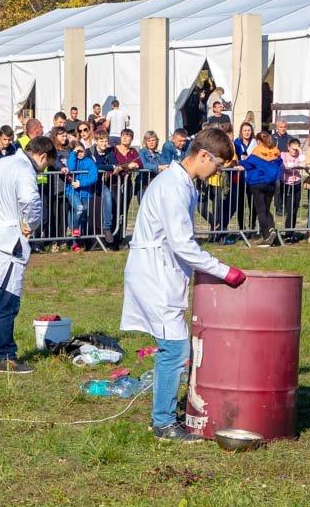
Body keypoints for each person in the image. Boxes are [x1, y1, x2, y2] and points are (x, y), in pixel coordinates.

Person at [120, 128, 246, 444]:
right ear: (203, 155)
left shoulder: (181, 183)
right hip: (155, 274)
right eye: (218, 165)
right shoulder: (174, 187)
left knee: (174, 346)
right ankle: (163, 423)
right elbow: (183, 244)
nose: (217, 172)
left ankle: (165, 415)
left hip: (161, 271)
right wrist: (223, 271)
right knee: (175, 348)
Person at [0, 136, 55, 374]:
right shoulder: (24, 169)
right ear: (42, 156)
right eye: (46, 165)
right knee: (7, 302)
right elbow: (30, 200)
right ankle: (5, 356)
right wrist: (31, 223)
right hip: (7, 241)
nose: (44, 169)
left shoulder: (2, 162)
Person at [241, 131, 283, 246]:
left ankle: (266, 236)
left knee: (261, 210)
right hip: (271, 183)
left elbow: (248, 164)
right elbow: (279, 163)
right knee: (267, 209)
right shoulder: (276, 151)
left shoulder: (257, 151)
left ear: (259, 141)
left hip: (257, 182)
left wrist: (239, 162)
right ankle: (271, 229)